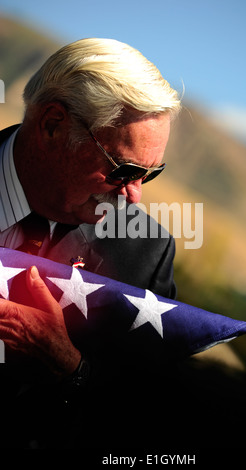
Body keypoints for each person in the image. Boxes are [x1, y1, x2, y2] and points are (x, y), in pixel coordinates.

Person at [0, 38, 182, 448]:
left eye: (149, 174)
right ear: (52, 125)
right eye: (124, 169)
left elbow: (149, 419)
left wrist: (71, 368)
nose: (134, 195)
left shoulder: (145, 255)